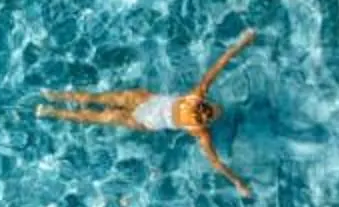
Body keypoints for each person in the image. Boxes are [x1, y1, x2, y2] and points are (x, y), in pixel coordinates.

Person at [37, 30, 256, 195]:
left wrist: (243, 42)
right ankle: (51, 103)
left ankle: (52, 102)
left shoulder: (198, 112)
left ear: (207, 113)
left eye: (211, 111)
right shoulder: (198, 114)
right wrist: (238, 183)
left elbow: (220, 64)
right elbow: (216, 163)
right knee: (95, 108)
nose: (208, 111)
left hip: (144, 108)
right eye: (211, 110)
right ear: (207, 111)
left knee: (96, 106)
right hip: (144, 110)